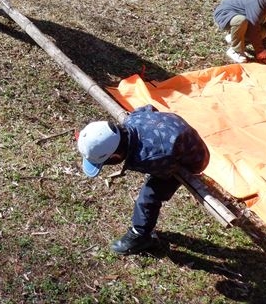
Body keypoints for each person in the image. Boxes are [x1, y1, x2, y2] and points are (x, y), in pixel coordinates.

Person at [76, 105, 210, 255]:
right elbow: (149, 107)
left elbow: (166, 171)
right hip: (175, 129)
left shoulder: (149, 158)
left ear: (115, 157)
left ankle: (140, 235)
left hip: (194, 157)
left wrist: (154, 168)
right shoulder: (133, 119)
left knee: (149, 197)